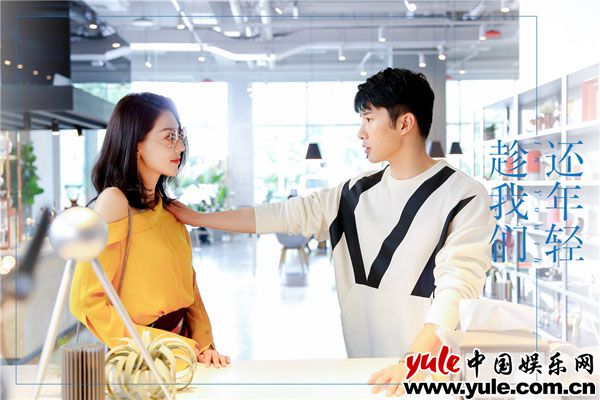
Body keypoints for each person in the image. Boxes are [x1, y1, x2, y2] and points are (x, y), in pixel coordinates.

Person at [168, 68, 496, 394]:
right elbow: (281, 215)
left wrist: (411, 362)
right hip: (367, 373)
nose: (361, 133)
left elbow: (457, 290)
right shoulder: (352, 193)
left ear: (404, 123)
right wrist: (198, 218)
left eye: (369, 119)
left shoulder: (464, 195)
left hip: (429, 376)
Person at [69, 92, 230, 368]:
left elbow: (190, 287)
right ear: (136, 144)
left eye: (180, 136)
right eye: (169, 137)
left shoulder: (170, 212)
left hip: (186, 353)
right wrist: (166, 345)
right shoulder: (114, 203)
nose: (180, 146)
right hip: (142, 357)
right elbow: (86, 301)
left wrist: (204, 345)